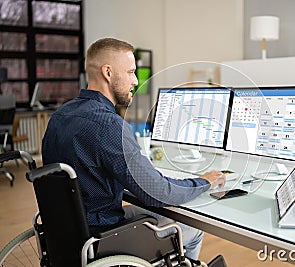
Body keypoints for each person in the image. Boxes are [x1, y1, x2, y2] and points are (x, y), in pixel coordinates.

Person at [41, 37, 226, 260]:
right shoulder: (108, 125)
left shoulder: (60, 116)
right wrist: (203, 182)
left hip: (67, 235)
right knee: (193, 229)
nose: (136, 81)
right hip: (101, 238)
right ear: (108, 73)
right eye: (130, 72)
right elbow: (157, 192)